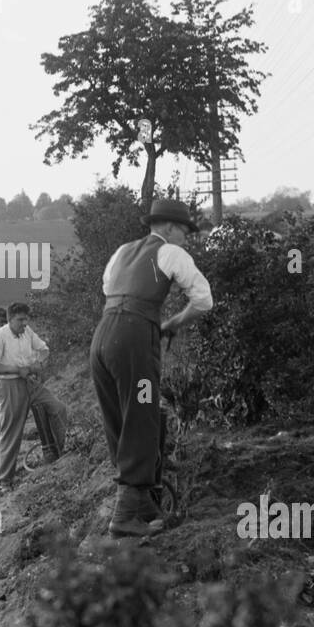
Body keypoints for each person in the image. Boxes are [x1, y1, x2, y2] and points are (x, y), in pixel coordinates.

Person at [91, 199, 213, 537]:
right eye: (186, 231)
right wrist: (174, 321)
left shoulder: (121, 252)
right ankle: (124, 516)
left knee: (117, 419)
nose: (187, 238)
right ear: (170, 228)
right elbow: (204, 299)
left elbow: (108, 289)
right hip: (134, 338)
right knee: (142, 417)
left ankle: (142, 504)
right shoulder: (171, 253)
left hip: (102, 338)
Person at [0, 302, 67, 487]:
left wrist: (39, 364)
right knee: (12, 432)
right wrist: (16, 369)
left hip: (30, 382)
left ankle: (60, 454)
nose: (24, 323)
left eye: (26, 319)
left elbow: (44, 349)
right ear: (10, 319)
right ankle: (4, 480)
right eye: (21, 319)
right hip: (9, 386)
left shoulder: (27, 332)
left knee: (58, 408)